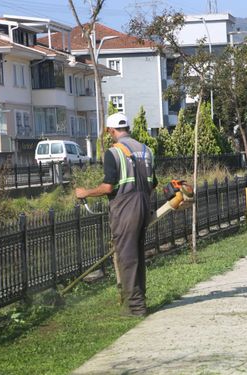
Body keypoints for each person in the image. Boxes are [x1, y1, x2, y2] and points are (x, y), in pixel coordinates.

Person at [75, 113, 157, 317]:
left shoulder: (114, 152)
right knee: (137, 253)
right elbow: (153, 183)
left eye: (109, 132)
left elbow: (108, 186)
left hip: (125, 208)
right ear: (127, 128)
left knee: (127, 257)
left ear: (111, 131)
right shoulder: (147, 150)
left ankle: (135, 308)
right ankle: (139, 301)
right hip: (144, 205)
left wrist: (85, 193)